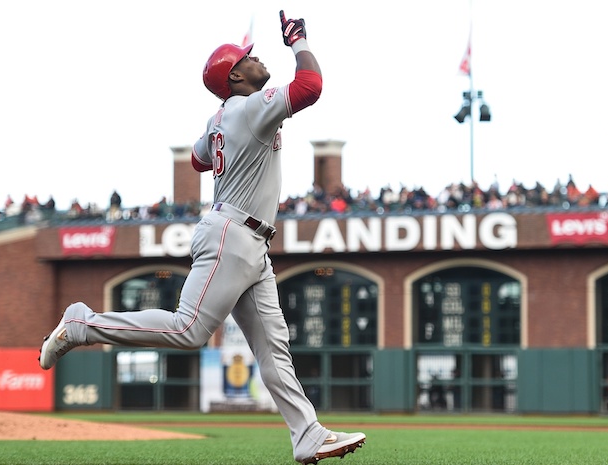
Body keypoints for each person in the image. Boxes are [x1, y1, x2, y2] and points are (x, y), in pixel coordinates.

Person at [38, 10, 365, 465]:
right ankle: (82, 324)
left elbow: (197, 160)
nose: (257, 60)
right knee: (189, 330)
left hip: (251, 242)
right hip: (232, 233)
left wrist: (220, 128)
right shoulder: (250, 107)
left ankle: (307, 434)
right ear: (235, 76)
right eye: (248, 59)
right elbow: (310, 86)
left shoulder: (228, 114)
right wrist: (298, 41)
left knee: (274, 349)